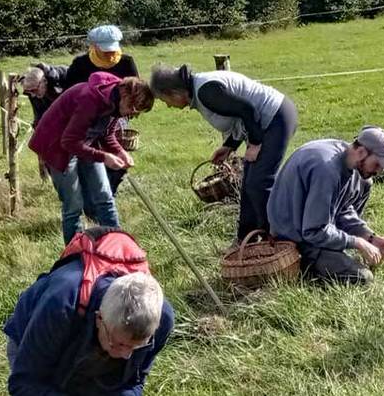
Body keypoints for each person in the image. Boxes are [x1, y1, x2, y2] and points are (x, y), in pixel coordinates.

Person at [4, 234, 174, 395]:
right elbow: (25, 383)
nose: (127, 355)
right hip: (38, 338)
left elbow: (132, 382)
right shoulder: (60, 305)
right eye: (119, 344)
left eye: (136, 347)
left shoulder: (161, 320)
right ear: (99, 318)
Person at [149, 64, 298, 242]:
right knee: (249, 186)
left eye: (165, 101)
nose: (168, 106)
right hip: (265, 123)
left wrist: (255, 144)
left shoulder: (206, 92)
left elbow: (247, 110)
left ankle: (277, 238)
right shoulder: (200, 91)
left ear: (173, 92)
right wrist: (229, 146)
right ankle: (246, 240)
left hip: (276, 118)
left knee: (259, 183)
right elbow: (236, 116)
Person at [29, 73, 154, 243]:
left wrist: (119, 151)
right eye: (132, 108)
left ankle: (116, 245)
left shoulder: (116, 101)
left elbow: (108, 133)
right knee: (73, 205)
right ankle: (75, 252)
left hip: (84, 142)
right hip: (57, 147)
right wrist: (104, 157)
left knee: (105, 196)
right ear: (125, 95)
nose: (131, 114)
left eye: (137, 112)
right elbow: (69, 142)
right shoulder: (90, 100)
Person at [267, 126, 384, 285]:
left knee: (366, 182)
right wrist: (357, 242)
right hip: (294, 239)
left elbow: (341, 210)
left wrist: (370, 238)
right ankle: (307, 271)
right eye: (377, 164)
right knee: (363, 277)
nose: (379, 172)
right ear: (361, 153)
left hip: (310, 227)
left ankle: (334, 254)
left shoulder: (346, 159)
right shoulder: (327, 171)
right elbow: (314, 231)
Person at [65, 25, 141, 195]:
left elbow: (136, 89)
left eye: (112, 48)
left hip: (116, 116)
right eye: (104, 49)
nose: (110, 54)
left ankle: (110, 190)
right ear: (93, 46)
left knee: (115, 152)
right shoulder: (80, 64)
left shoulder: (126, 62)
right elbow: (68, 93)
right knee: (90, 155)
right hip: (86, 119)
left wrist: (132, 109)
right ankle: (91, 191)